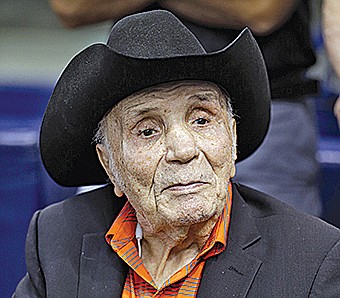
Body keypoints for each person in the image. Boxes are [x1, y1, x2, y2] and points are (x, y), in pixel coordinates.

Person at [14, 11, 340, 297]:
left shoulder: (312, 261)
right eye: (147, 130)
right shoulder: (57, 236)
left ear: (232, 136)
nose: (183, 151)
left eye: (201, 119)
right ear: (109, 165)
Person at [48, 0, 324, 217]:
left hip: (267, 108)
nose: (183, 150)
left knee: (278, 257)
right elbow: (71, 6)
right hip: (132, 108)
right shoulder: (50, 233)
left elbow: (260, 9)